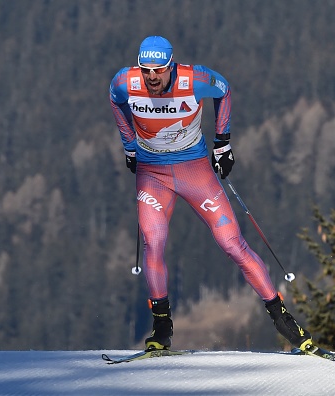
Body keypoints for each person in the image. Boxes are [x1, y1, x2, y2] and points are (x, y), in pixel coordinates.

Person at [109, 35, 312, 352]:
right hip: (152, 174)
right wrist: (129, 146)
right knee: (154, 241)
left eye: (158, 70)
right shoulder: (125, 81)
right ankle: (162, 329)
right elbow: (115, 99)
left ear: (170, 65)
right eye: (146, 69)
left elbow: (224, 89)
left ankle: (284, 319)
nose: (151, 77)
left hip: (195, 171)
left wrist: (223, 142)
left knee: (232, 244)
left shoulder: (194, 79)